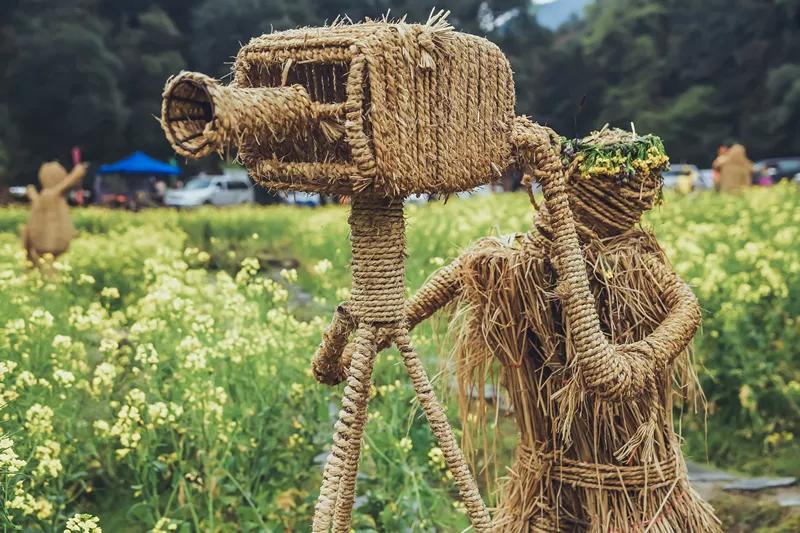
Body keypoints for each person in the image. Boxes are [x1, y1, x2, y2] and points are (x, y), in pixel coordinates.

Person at [387, 125, 720, 531]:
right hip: (545, 492)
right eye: (628, 185)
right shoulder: (514, 263)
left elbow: (675, 318)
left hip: (639, 493)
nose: (642, 196)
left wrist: (639, 360)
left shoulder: (639, 267)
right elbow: (418, 305)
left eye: (644, 186)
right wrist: (368, 334)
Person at [22, 161, 87, 263]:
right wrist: (75, 174)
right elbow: (63, 186)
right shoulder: (49, 194)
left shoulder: (47, 197)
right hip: (48, 244)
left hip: (50, 247)